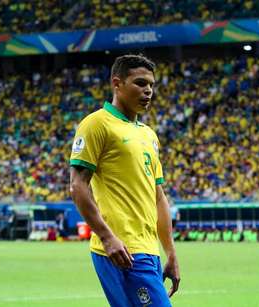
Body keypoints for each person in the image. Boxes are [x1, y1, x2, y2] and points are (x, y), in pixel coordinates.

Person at [70, 54, 180, 307]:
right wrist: (108, 238)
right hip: (122, 250)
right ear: (117, 84)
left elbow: (158, 196)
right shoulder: (97, 124)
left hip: (148, 250)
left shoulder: (148, 134)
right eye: (140, 83)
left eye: (151, 85)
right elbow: (78, 186)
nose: (148, 91)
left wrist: (170, 252)